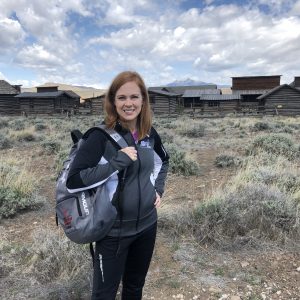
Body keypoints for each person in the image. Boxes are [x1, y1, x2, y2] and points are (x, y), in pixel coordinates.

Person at [66, 71, 169, 299]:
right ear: (113, 101)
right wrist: (115, 163)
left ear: (143, 100)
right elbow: (73, 181)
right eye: (122, 97)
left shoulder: (149, 134)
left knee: (134, 288)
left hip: (147, 226)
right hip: (113, 232)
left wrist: (158, 189)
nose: (129, 103)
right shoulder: (99, 137)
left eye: (134, 97)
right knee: (104, 294)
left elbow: (163, 162)